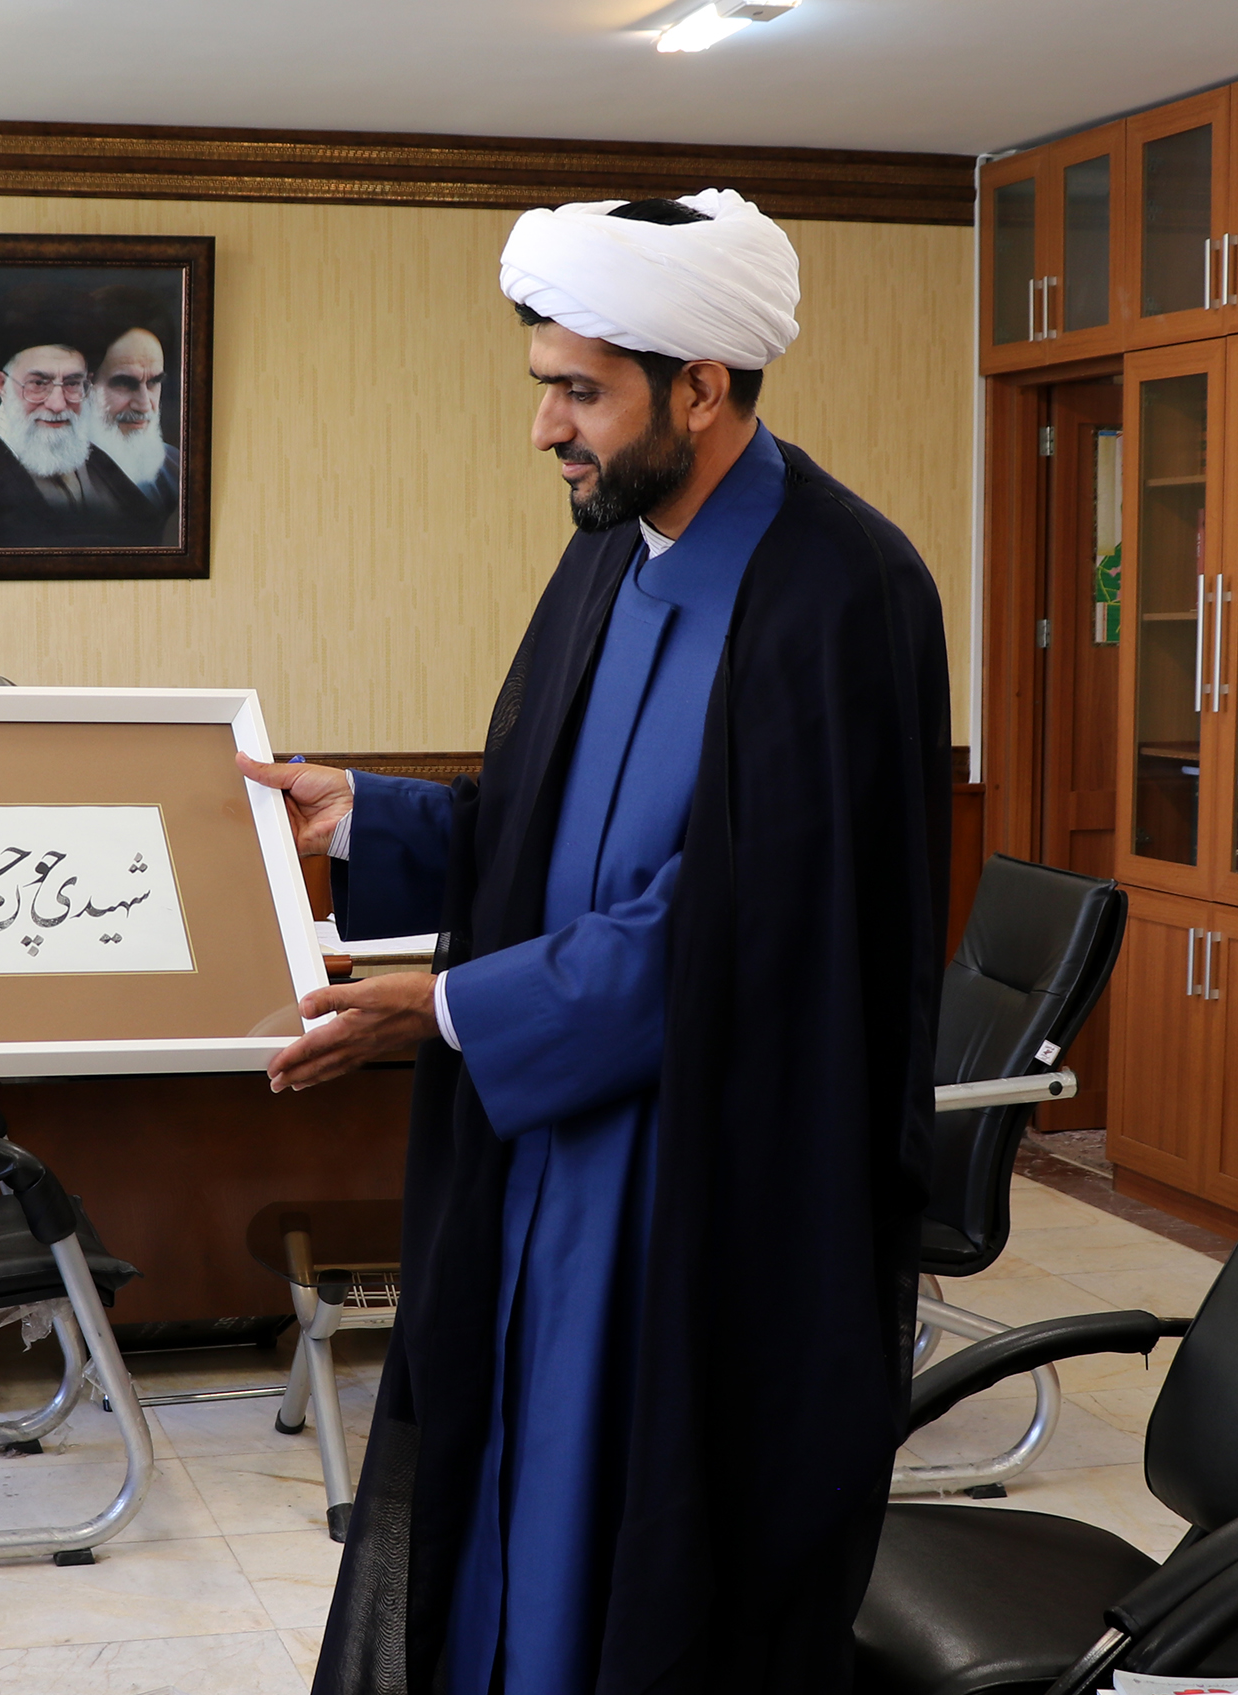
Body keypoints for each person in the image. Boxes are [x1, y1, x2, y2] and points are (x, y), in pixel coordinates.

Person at [241, 191, 949, 1695]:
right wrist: (362, 817)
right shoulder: (608, 552)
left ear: (699, 387)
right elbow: (540, 830)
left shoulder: (842, 590)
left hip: (700, 1175)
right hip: (539, 1135)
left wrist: (451, 1010)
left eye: (578, 391)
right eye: (542, 385)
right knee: (507, 1491)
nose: (544, 428)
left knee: (637, 1527)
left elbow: (758, 929)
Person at [0, 285, 163, 549]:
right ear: (1, 384)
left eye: (72, 383)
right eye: (38, 383)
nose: (58, 404)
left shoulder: (98, 462)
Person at [85, 284, 183, 541]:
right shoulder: (51, 482)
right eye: (125, 384)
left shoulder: (178, 470)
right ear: (82, 386)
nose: (145, 405)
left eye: (153, 383)